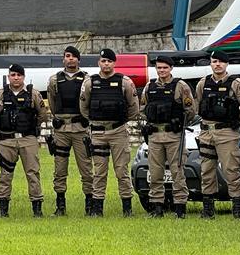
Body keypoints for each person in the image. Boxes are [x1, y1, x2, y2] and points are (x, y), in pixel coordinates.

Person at [79, 49, 141, 217]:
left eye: (109, 61)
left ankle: (127, 209)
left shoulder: (125, 82)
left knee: (121, 171)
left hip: (118, 132)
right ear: (98, 62)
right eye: (103, 61)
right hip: (98, 133)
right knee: (99, 171)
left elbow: (134, 107)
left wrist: (119, 121)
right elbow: (84, 108)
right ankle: (97, 209)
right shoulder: (89, 83)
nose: (106, 64)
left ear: (114, 63)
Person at [195, 50, 240, 219]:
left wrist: (237, 120)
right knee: (206, 170)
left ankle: (237, 210)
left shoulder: (237, 84)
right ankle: (208, 210)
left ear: (226, 64)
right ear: (210, 64)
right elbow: (198, 104)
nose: (217, 64)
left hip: (227, 133)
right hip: (207, 132)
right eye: (214, 61)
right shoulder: (203, 83)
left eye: (221, 61)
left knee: (231, 170)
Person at [140, 54, 196, 218]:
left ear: (171, 68)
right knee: (155, 173)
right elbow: (142, 109)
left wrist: (178, 122)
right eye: (159, 68)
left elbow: (190, 110)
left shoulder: (180, 86)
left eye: (165, 67)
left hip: (174, 136)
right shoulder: (149, 87)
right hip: (155, 136)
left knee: (177, 172)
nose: (162, 70)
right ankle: (157, 207)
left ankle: (180, 208)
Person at [0, 64, 49, 217]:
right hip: (7, 140)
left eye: (19, 75)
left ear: (23, 76)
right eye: (13, 75)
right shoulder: (0, 94)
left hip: (28, 139)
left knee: (32, 173)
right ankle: (3, 209)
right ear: (8, 76)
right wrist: (4, 126)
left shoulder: (33, 94)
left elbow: (42, 114)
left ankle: (37, 208)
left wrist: (30, 127)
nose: (16, 78)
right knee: (5, 174)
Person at [46, 46, 93, 216]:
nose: (70, 59)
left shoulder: (87, 79)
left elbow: (89, 102)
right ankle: (60, 206)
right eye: (67, 56)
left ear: (78, 59)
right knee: (59, 169)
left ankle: (90, 206)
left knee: (86, 168)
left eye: (73, 56)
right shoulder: (54, 80)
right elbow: (52, 103)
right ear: (63, 59)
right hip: (61, 131)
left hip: (80, 130)